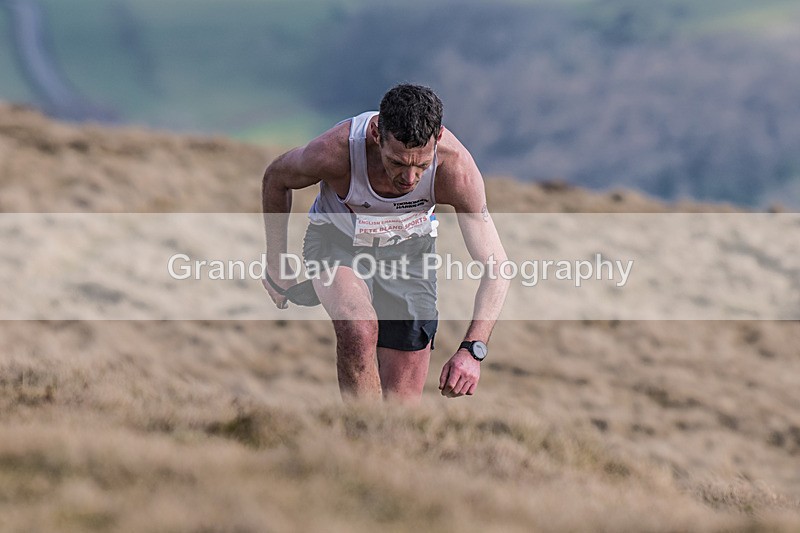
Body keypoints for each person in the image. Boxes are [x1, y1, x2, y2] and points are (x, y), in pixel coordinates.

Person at [261, 84, 508, 402]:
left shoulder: (456, 170)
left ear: (439, 137)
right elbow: (276, 178)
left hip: (409, 253)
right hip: (337, 241)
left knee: (401, 408)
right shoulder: (336, 151)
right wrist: (276, 265)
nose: (409, 178)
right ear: (377, 134)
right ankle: (362, 428)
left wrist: (472, 351)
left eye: (421, 165)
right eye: (397, 163)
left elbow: (497, 268)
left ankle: (382, 434)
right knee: (358, 327)